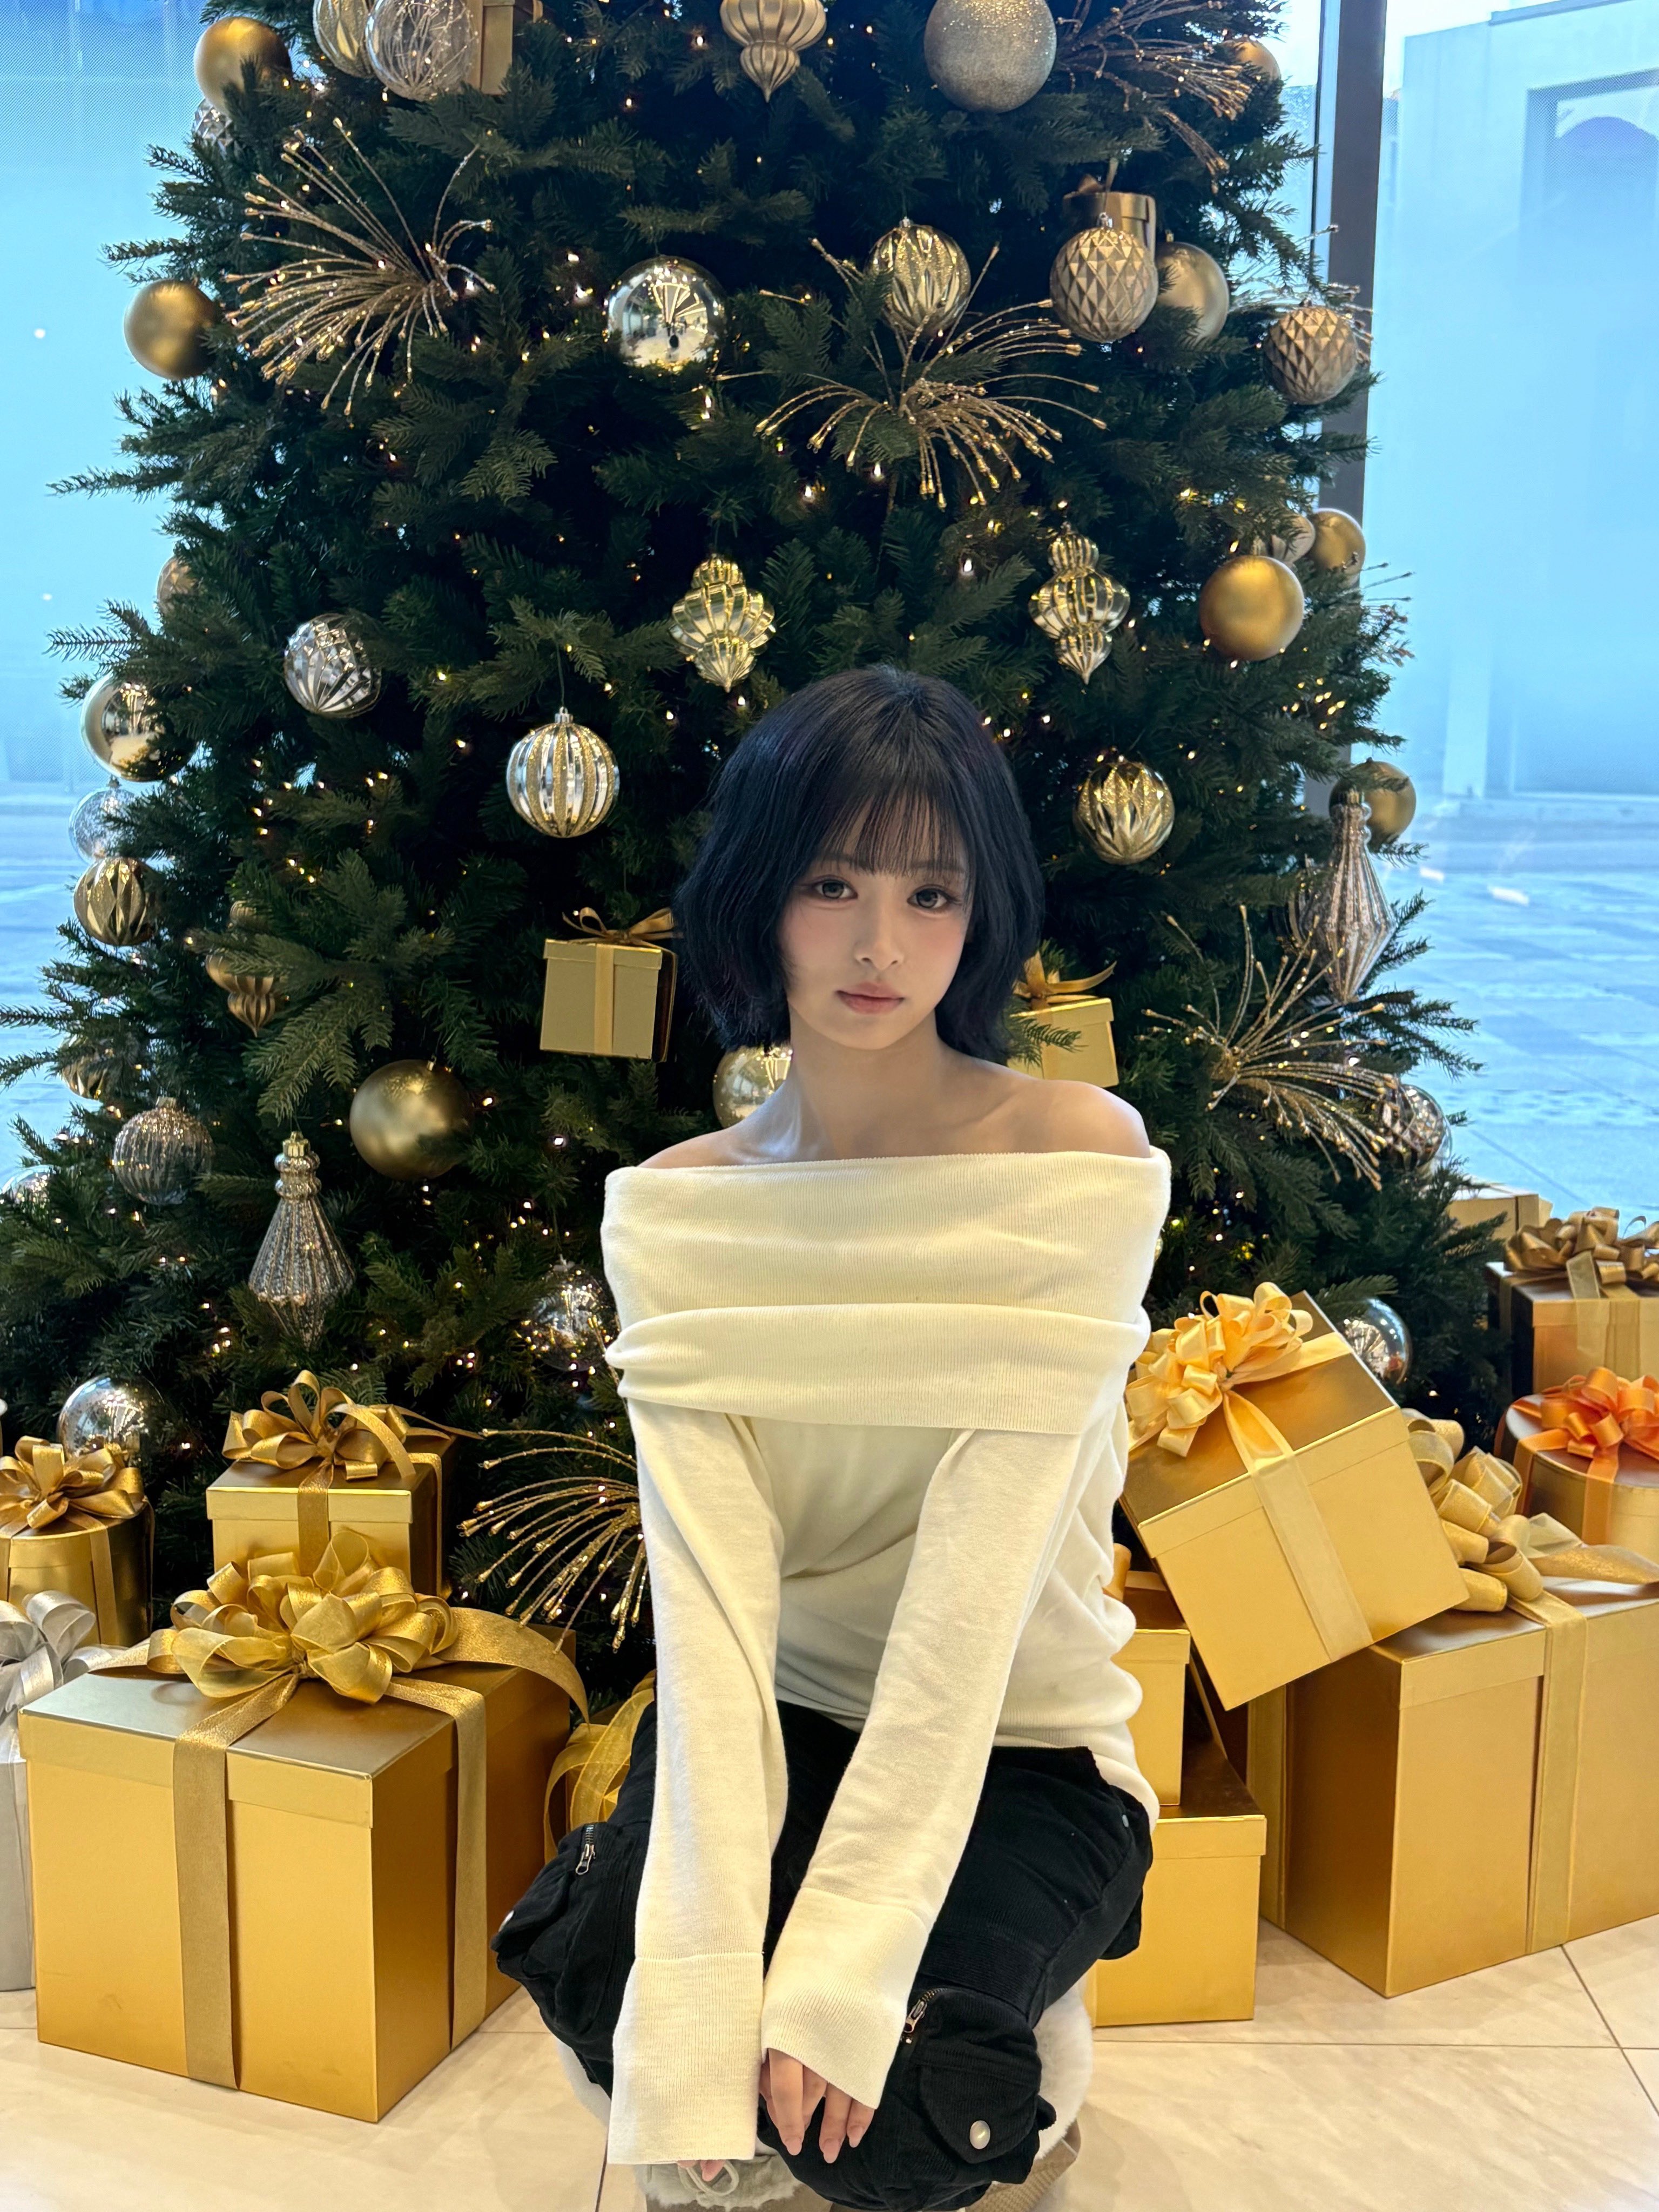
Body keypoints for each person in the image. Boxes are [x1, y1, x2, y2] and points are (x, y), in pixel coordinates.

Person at [494, 666, 1170, 2212]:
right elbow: (714, 1616)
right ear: (761, 894)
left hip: (1022, 1741)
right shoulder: (682, 1213)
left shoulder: (1073, 1163)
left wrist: (848, 1964)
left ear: (981, 916)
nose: (880, 946)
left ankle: (1020, 2024)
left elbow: (970, 1606)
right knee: (628, 2001)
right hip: (780, 1714)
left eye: (931, 894)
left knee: (903, 2108)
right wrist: (708, 1977)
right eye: (832, 884)